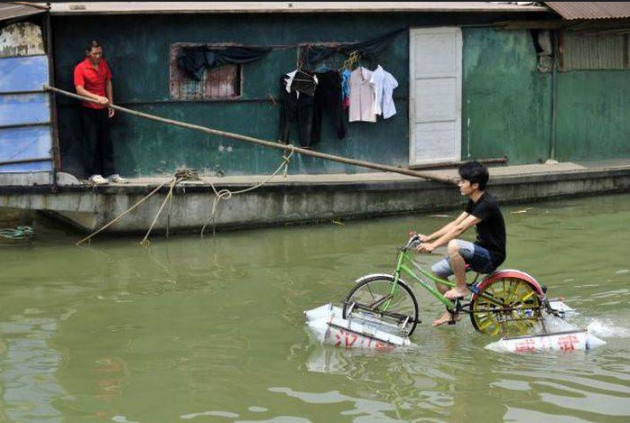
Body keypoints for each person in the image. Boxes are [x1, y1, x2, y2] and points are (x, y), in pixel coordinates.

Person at [416, 161, 506, 327]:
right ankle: (452, 313)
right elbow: (455, 224)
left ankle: (462, 288)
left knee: (454, 245)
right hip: (479, 251)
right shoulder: (474, 201)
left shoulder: (487, 204)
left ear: (475, 185)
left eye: (463, 181)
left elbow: (460, 230)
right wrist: (429, 238)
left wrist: (434, 246)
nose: (459, 184)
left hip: (491, 256)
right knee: (437, 272)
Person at [73, 40, 127, 185]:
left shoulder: (103, 64)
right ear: (88, 53)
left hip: (103, 108)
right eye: (95, 53)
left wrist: (110, 103)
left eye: (100, 53)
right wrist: (97, 98)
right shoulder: (80, 68)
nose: (98, 56)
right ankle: (93, 174)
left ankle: (110, 173)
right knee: (92, 142)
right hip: (88, 109)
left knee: (106, 142)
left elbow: (108, 82)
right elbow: (79, 89)